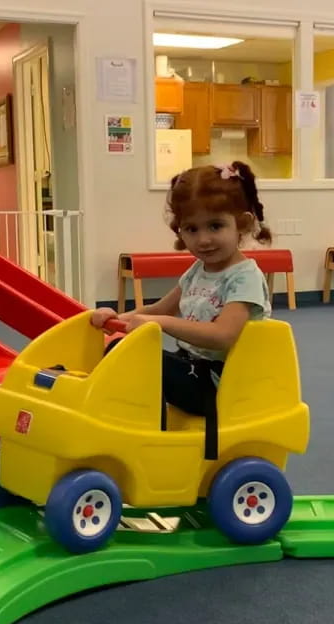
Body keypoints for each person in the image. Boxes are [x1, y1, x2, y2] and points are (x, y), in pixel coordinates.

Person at [91, 160, 273, 458]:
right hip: (191, 366)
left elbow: (222, 335)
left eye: (215, 226)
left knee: (137, 363)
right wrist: (116, 318)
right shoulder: (197, 271)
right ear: (180, 232)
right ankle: (127, 430)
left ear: (241, 224)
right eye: (192, 229)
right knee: (121, 352)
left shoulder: (245, 278)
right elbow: (162, 308)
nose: (203, 239)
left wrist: (161, 324)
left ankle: (150, 445)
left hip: (221, 381)